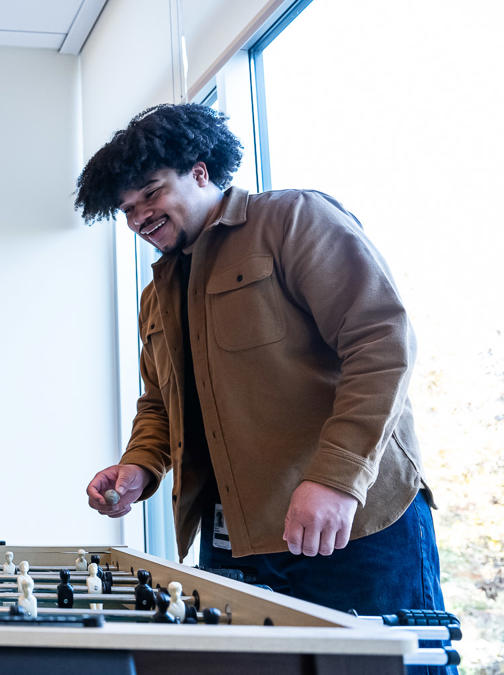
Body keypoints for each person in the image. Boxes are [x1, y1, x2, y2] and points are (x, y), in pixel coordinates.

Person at [75, 104, 447, 637]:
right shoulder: (155, 296)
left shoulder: (293, 218)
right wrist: (139, 466)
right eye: (127, 209)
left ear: (199, 172)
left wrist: (336, 480)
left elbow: (380, 343)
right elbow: (160, 403)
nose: (139, 219)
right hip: (233, 544)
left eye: (151, 194)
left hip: (353, 526)